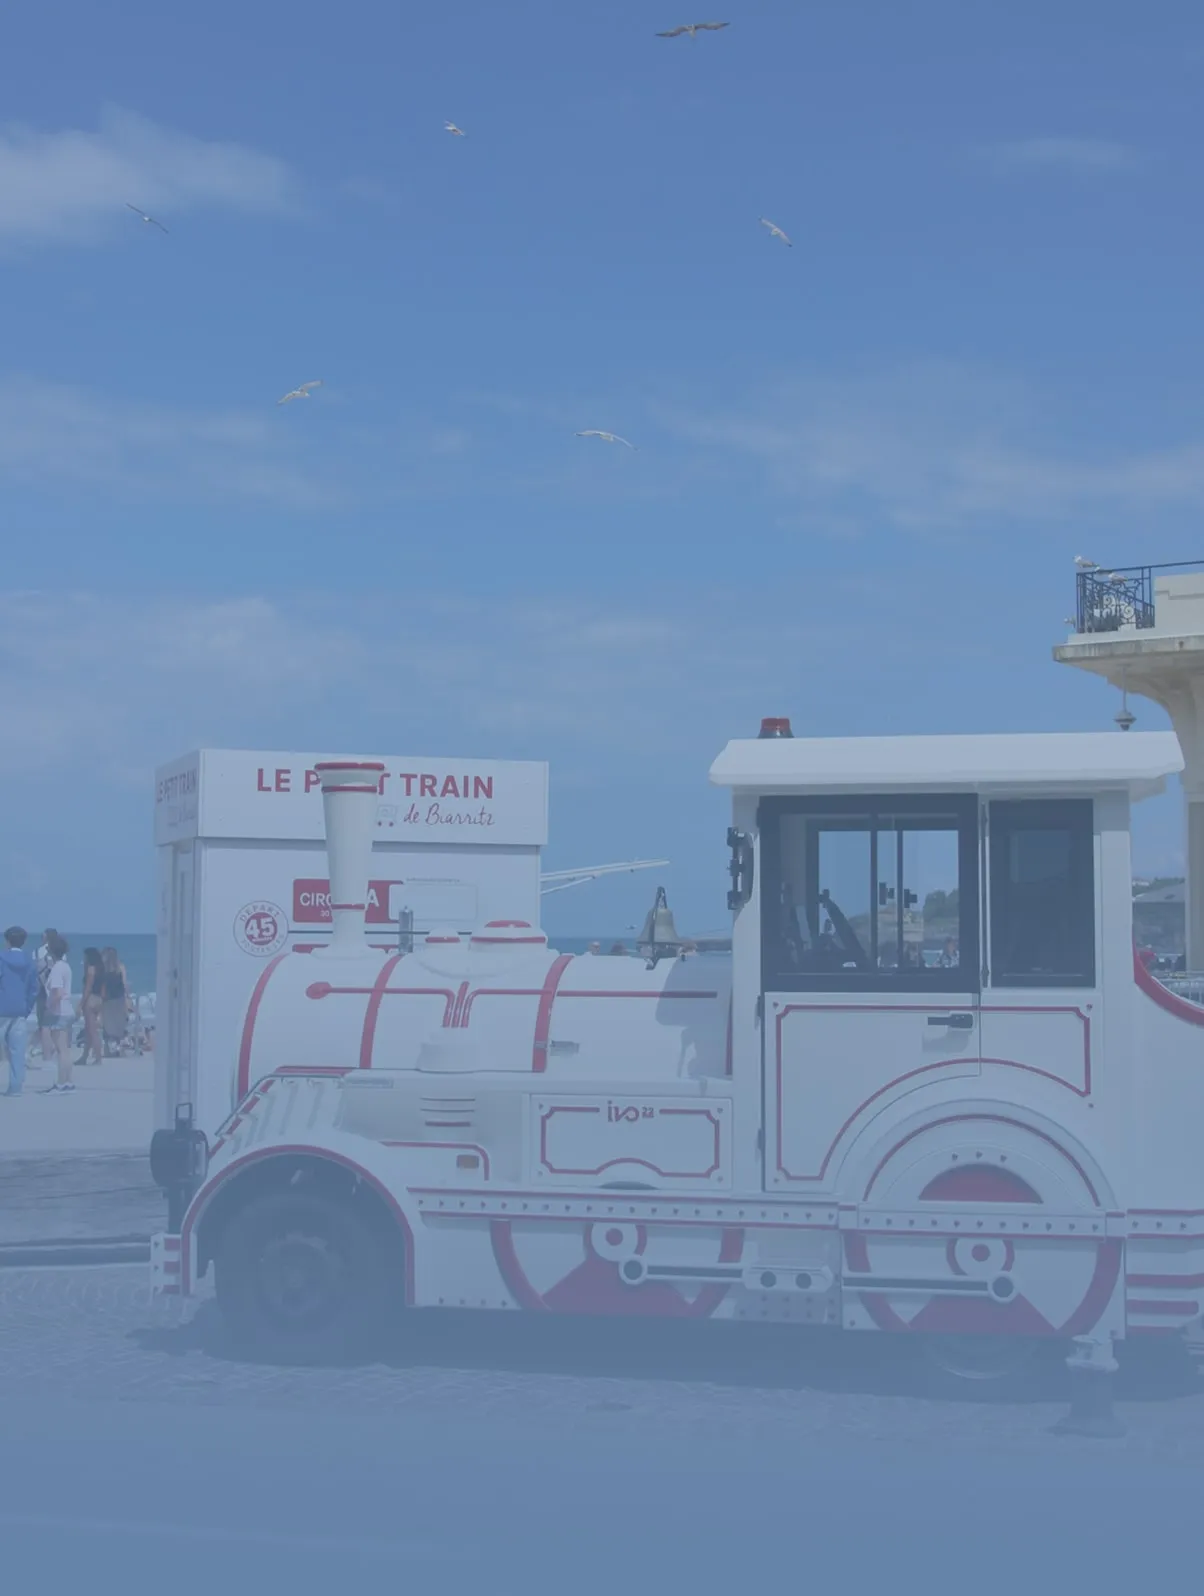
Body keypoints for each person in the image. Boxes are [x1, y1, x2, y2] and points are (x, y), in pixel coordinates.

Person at [0, 927, 39, 1097]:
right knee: (17, 1051)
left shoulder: (2, 958)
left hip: (2, 1007)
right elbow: (34, 989)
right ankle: (15, 1087)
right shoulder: (29, 961)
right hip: (20, 1009)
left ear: (7, 940)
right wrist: (27, 1008)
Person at [38, 933, 76, 1094]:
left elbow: (57, 993)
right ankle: (68, 1082)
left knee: (61, 1050)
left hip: (59, 1012)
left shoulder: (57, 969)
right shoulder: (65, 966)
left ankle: (61, 1083)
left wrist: (49, 1007)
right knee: (65, 1049)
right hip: (67, 1010)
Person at [77, 947, 105, 1066]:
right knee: (90, 1030)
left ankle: (98, 1057)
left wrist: (80, 1004)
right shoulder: (101, 969)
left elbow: (87, 988)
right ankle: (84, 1057)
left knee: (92, 1031)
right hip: (99, 999)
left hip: (91, 1000)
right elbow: (103, 988)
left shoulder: (91, 969)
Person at [100, 946, 129, 1056]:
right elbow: (124, 985)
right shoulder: (120, 967)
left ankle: (108, 1050)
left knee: (107, 1025)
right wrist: (128, 998)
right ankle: (119, 1048)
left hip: (107, 1000)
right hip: (119, 999)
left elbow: (101, 986)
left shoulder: (103, 969)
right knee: (119, 1024)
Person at [35, 927, 56, 1066]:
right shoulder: (59, 952)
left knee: (43, 1022)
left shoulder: (38, 951)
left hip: (42, 989)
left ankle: (46, 1051)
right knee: (53, 1022)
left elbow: (35, 970)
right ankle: (50, 1047)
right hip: (55, 989)